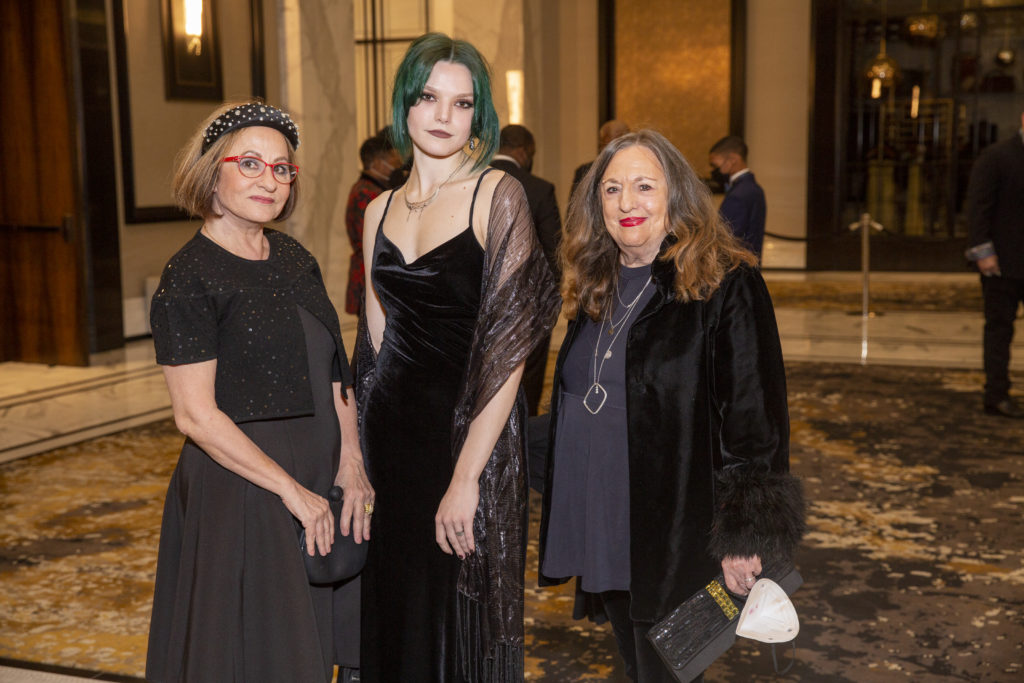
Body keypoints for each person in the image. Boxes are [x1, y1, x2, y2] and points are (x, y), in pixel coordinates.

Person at [538, 130, 805, 682]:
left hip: (678, 528)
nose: (626, 203)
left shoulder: (725, 282)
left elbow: (755, 419)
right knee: (636, 663)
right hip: (603, 518)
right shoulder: (595, 282)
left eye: (643, 186)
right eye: (611, 190)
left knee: (666, 669)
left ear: (676, 195)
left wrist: (745, 536)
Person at [355, 33, 560, 681]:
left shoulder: (496, 196)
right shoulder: (378, 208)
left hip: (466, 437)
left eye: (462, 103)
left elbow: (510, 354)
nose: (444, 116)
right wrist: (358, 459)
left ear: (480, 114)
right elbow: (377, 345)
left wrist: (467, 476)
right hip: (391, 438)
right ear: (404, 107)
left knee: (455, 609)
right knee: (397, 601)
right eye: (428, 98)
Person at [146, 101, 375, 682]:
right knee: (259, 654)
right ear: (211, 172)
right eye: (250, 163)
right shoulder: (188, 276)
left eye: (281, 169)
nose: (268, 180)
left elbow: (334, 371)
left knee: (314, 642)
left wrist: (350, 461)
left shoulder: (295, 257)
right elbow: (195, 416)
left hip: (318, 471)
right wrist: (291, 491)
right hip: (243, 488)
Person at [490, 124, 562, 414]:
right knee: (528, 378)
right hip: (528, 302)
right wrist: (552, 299)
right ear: (523, 151)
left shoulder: (471, 182)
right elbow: (553, 248)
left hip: (479, 298)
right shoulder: (539, 189)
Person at [965, 110, 1024, 419]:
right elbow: (978, 208)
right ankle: (996, 395)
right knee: (1000, 329)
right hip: (1003, 263)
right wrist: (983, 252)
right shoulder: (997, 156)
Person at [345, 134, 401, 316]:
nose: (398, 164)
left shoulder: (374, 189)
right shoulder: (365, 193)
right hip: (370, 275)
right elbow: (378, 239)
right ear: (377, 163)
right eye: (393, 159)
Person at [709, 135, 767, 261]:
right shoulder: (754, 189)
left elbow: (726, 239)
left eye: (715, 165)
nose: (713, 170)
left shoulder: (738, 195)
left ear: (733, 159)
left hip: (737, 267)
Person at [570, 119, 631, 199]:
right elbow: (575, 208)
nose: (615, 146)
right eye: (610, 139)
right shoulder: (585, 172)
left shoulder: (637, 168)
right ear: (602, 142)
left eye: (620, 138)